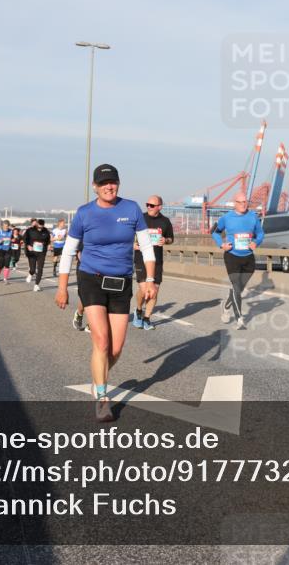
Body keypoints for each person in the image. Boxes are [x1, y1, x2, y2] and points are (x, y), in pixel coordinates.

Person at [54, 164, 157, 422]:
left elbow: (146, 246)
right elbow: (68, 251)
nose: (109, 186)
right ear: (95, 187)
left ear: (119, 183)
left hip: (121, 282)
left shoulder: (131, 208)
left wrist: (149, 280)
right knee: (101, 340)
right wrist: (62, 287)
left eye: (113, 182)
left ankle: (98, 376)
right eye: (103, 183)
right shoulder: (84, 213)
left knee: (116, 348)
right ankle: (102, 397)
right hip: (91, 279)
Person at [211, 192, 264, 329]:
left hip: (248, 257)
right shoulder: (226, 218)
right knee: (236, 287)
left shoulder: (253, 217)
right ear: (234, 203)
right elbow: (215, 232)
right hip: (232, 256)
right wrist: (221, 244)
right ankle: (239, 318)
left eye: (245, 202)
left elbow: (261, 233)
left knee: (238, 289)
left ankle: (227, 304)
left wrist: (256, 242)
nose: (243, 204)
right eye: (240, 202)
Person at [132, 195, 174, 330]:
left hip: (157, 260)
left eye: (152, 205)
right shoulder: (141, 218)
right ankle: (138, 310)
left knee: (154, 291)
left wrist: (165, 241)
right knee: (144, 290)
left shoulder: (165, 221)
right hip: (140, 258)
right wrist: (132, 244)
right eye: (147, 204)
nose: (148, 207)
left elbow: (171, 238)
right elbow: (128, 234)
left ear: (159, 207)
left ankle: (147, 318)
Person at [22, 218, 52, 292]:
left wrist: (48, 245)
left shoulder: (46, 231)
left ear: (43, 226)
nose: (40, 228)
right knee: (32, 269)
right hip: (32, 252)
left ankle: (36, 285)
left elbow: (48, 240)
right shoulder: (30, 230)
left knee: (40, 268)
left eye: (41, 227)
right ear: (36, 224)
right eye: (39, 226)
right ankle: (30, 274)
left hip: (41, 252)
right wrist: (28, 245)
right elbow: (25, 238)